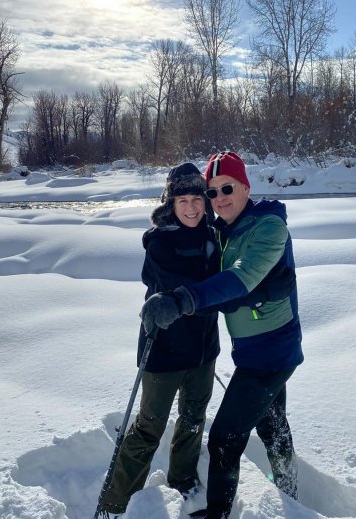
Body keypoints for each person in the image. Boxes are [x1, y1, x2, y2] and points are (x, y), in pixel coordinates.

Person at [141, 151, 304, 519]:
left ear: (245, 186)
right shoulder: (224, 230)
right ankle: (291, 496)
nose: (219, 199)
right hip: (251, 351)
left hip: (271, 354)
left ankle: (218, 514)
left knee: (225, 439)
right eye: (211, 193)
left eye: (226, 188)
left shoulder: (268, 227)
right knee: (273, 424)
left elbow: (239, 278)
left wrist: (184, 300)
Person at [100, 162, 220, 518]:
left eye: (197, 198)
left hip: (203, 351)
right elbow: (193, 287)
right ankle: (116, 501)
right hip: (163, 353)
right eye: (183, 199)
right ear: (171, 203)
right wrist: (209, 291)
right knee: (149, 427)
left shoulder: (213, 237)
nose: (191, 207)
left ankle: (183, 479)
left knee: (194, 418)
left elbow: (215, 287)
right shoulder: (159, 243)